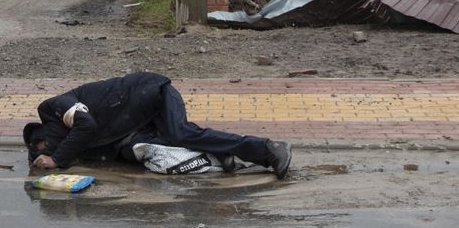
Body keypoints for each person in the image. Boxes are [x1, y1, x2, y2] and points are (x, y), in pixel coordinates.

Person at [22, 72, 292, 179]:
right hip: (141, 117)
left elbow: (86, 124)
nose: (42, 147)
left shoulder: (55, 107)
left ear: (42, 130)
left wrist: (57, 159)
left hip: (153, 93)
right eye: (40, 150)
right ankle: (219, 153)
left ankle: (269, 149)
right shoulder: (76, 141)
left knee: (182, 132)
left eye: (40, 143)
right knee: (136, 148)